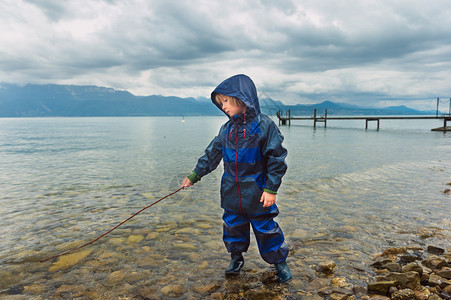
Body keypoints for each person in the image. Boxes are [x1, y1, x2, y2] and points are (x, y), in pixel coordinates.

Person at [182, 74, 292, 283]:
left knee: (267, 229)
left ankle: (280, 263)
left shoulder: (264, 126)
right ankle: (236, 258)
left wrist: (270, 189)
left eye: (225, 101)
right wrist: (195, 175)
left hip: (258, 192)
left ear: (242, 99)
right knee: (232, 228)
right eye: (220, 102)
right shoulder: (226, 130)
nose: (223, 106)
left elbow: (276, 159)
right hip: (232, 193)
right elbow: (211, 155)